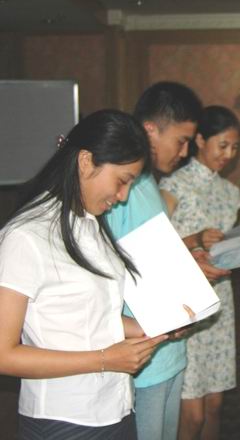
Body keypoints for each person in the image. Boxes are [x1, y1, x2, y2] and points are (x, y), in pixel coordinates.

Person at [0, 110, 168, 439]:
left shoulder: (91, 223)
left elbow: (91, 315)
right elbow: (4, 354)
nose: (123, 196)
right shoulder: (25, 237)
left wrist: (153, 326)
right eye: (122, 181)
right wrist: (104, 360)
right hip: (62, 418)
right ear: (86, 161)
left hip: (116, 406)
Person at [105, 83, 229, 440]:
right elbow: (108, 271)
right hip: (144, 353)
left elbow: (150, 258)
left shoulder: (146, 184)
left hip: (172, 346)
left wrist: (189, 261)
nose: (185, 152)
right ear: (150, 130)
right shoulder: (118, 190)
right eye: (181, 140)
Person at [159, 105, 240, 440]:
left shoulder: (231, 193)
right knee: (192, 415)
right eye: (222, 145)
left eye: (235, 148)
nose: (229, 155)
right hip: (187, 301)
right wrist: (195, 240)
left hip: (220, 301)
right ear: (200, 140)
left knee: (215, 406)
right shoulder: (173, 185)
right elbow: (152, 248)